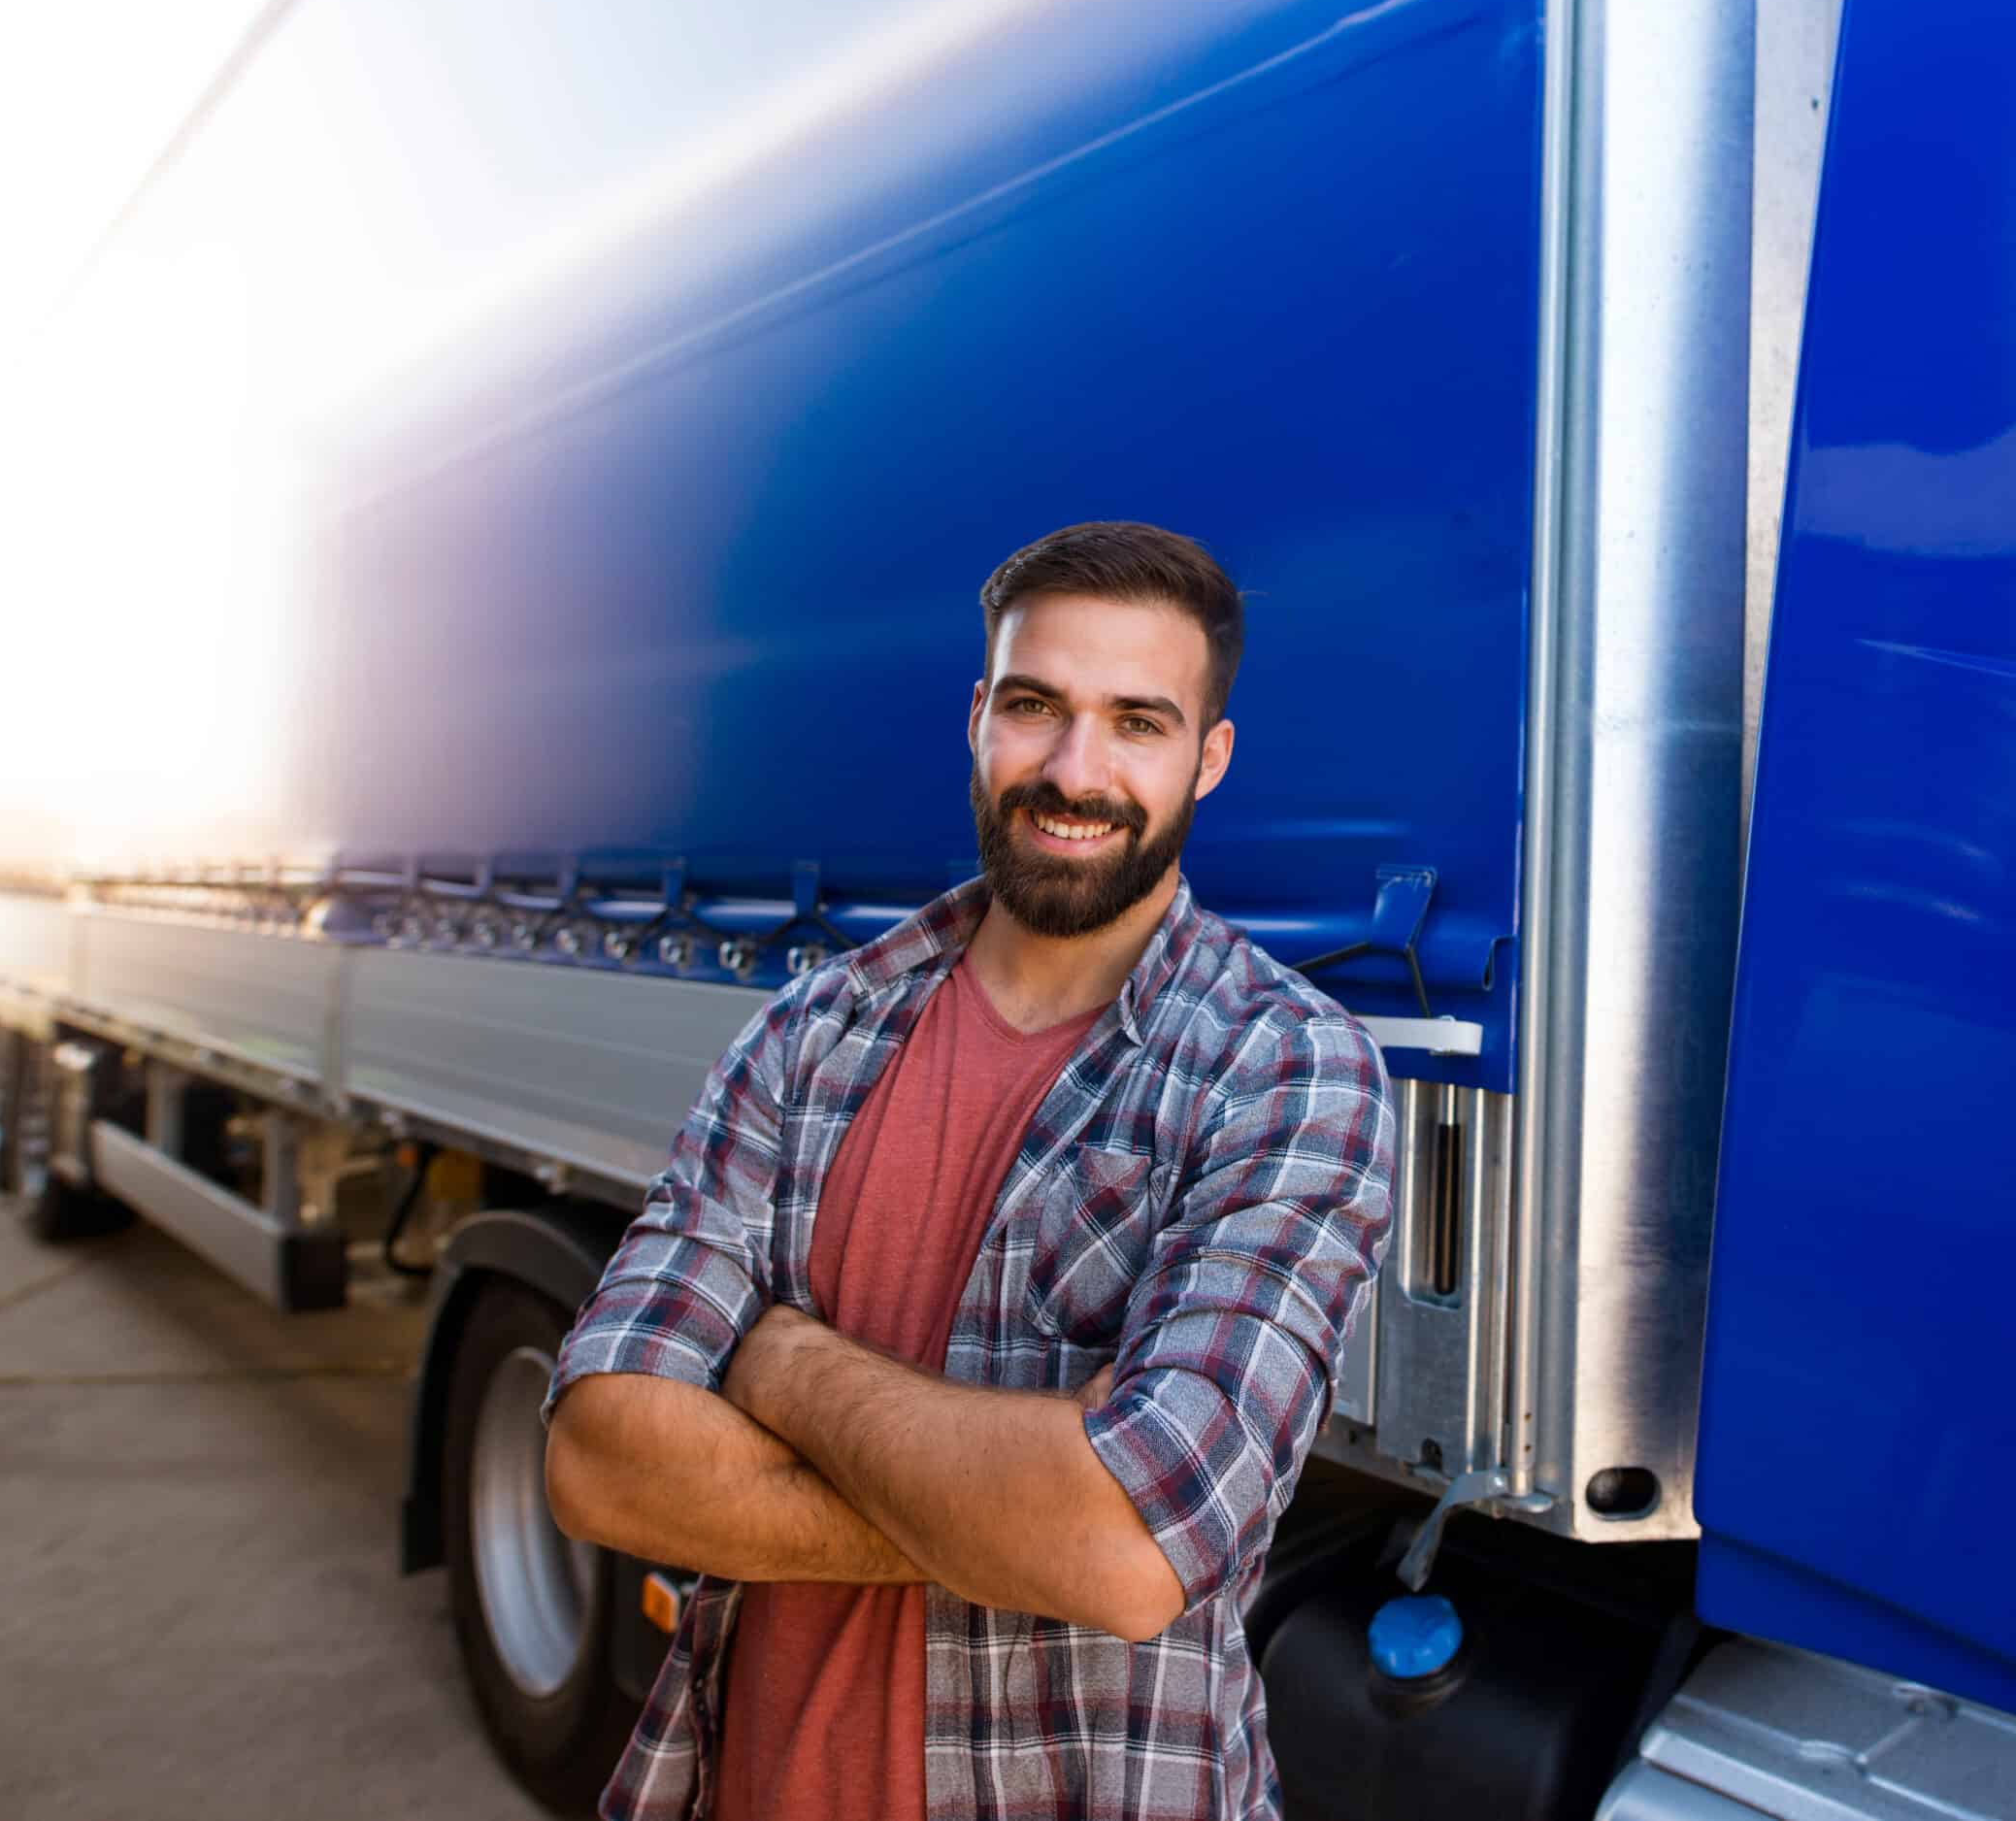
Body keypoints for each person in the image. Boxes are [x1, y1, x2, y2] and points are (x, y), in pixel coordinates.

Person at [544, 520, 1397, 1821]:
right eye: (1036, 705)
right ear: (978, 715)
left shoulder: (1282, 1068)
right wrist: (1022, 1506)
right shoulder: (810, 1036)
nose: (1074, 768)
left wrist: (782, 1363)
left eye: (1138, 723)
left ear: (1209, 759)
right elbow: (601, 1460)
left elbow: (1123, 1547)